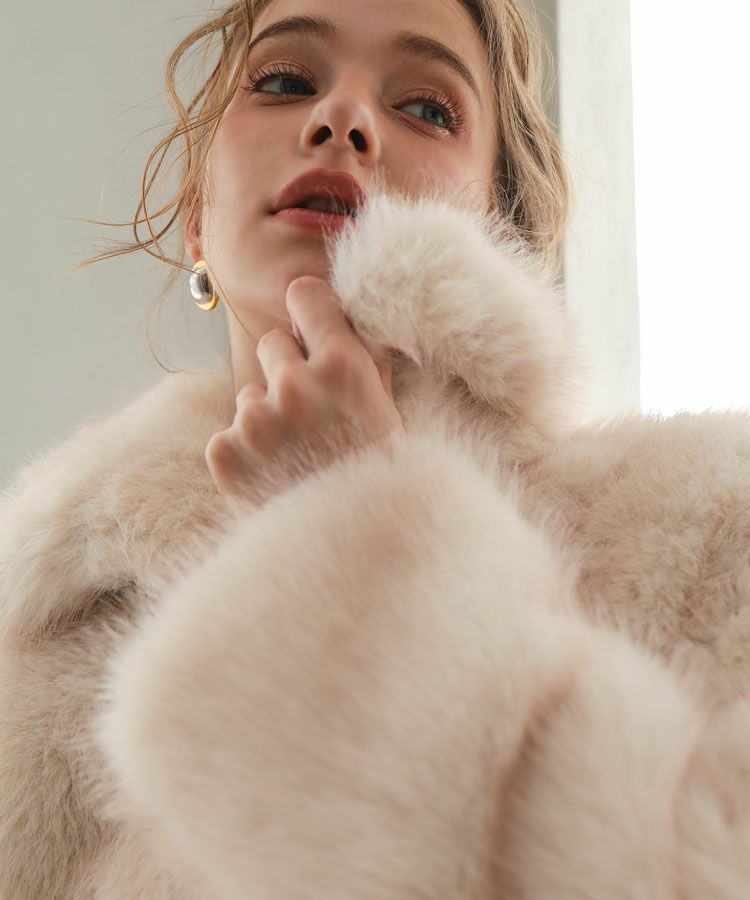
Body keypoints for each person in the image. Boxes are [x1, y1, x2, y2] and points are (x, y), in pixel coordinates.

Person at [1, 0, 748, 897]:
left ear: (503, 230)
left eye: (427, 108)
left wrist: (358, 518)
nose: (341, 116)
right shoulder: (41, 634)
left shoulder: (713, 526)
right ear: (196, 215)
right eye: (285, 80)